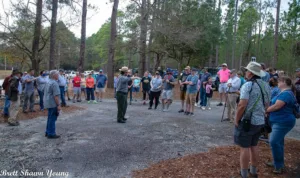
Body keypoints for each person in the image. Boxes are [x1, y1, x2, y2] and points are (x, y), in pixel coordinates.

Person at [235, 62, 270, 178]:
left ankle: (243, 174)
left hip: (247, 122)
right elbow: (267, 104)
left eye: (246, 70)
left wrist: (236, 119)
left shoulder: (247, 85)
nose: (245, 72)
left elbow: (242, 105)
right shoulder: (266, 85)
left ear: (250, 73)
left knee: (244, 148)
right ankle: (253, 172)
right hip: (260, 121)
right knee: (254, 146)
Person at [266, 76, 296, 174]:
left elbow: (277, 106)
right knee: (279, 142)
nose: (277, 83)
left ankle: (278, 166)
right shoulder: (283, 93)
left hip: (282, 122)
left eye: (279, 81)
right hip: (278, 121)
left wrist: (266, 110)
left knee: (274, 141)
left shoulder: (286, 94)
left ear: (284, 82)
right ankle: (278, 162)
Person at [44, 70, 61, 139]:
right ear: (54, 75)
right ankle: (51, 133)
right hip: (53, 103)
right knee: (52, 118)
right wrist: (58, 105)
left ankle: (48, 132)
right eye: (57, 74)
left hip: (48, 102)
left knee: (50, 118)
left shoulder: (48, 82)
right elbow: (56, 96)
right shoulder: (54, 83)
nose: (58, 76)